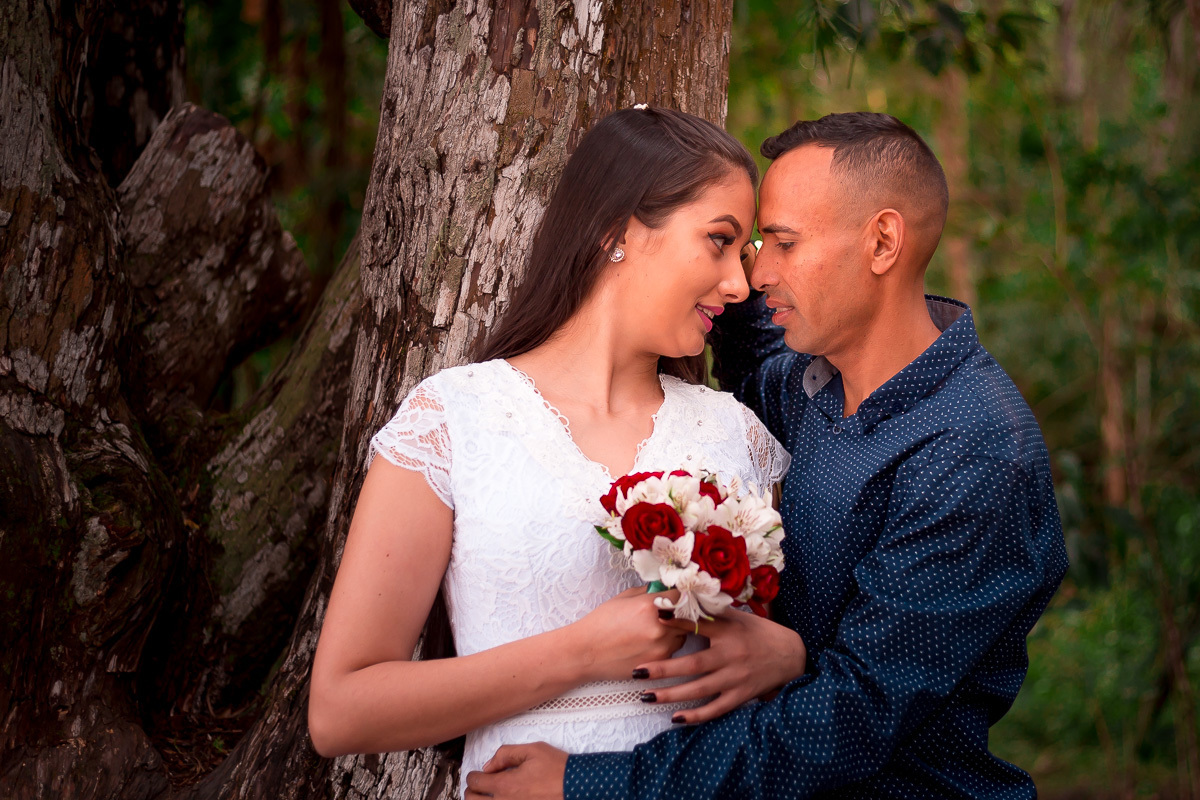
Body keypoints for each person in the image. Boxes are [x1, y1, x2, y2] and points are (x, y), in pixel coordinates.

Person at [465, 113, 1070, 799]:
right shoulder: (804, 385)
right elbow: (751, 336)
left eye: (781, 242)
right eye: (750, 244)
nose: (755, 272)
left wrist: (585, 784)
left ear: (882, 241)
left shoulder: (973, 452)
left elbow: (848, 720)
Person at [306, 107, 805, 798]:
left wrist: (786, 655)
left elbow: (768, 696)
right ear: (618, 231)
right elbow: (339, 713)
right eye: (718, 242)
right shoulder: (455, 420)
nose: (738, 285)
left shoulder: (737, 435)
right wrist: (584, 653)